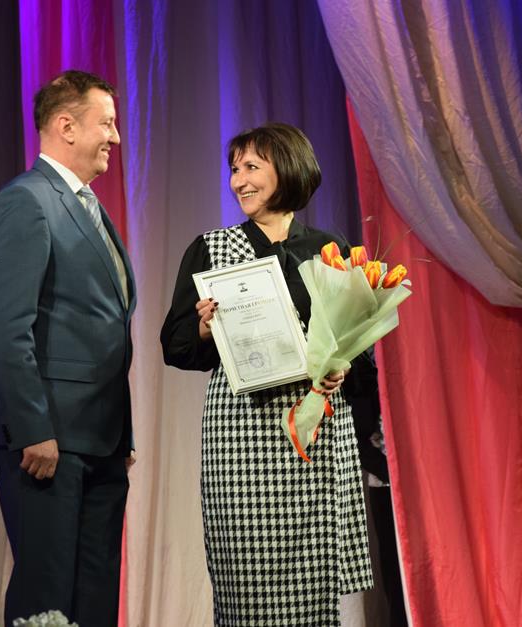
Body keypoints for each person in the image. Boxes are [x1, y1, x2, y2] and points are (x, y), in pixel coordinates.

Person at [160, 122, 373, 625]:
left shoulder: (329, 248)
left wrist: (341, 368)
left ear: (288, 170)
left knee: (313, 594)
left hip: (314, 435)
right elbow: (175, 346)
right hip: (243, 437)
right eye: (234, 169)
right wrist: (205, 328)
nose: (238, 180)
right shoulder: (211, 249)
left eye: (251, 167)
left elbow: (358, 346)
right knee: (247, 589)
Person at [0, 69, 135, 627]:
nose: (116, 137)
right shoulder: (27, 201)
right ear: (67, 126)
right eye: (106, 123)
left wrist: (122, 433)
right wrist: (33, 428)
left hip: (99, 439)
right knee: (46, 596)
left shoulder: (88, 206)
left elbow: (101, 327)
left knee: (95, 597)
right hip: (47, 441)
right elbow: (6, 327)